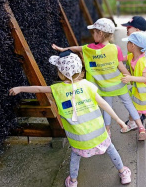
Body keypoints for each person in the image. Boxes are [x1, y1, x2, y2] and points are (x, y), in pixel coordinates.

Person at [9, 52, 132, 187]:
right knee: (110, 149)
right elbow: (104, 104)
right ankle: (123, 172)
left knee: (75, 156)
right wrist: (119, 120)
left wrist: (19, 88)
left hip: (78, 139)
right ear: (80, 70)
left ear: (61, 74)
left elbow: (38, 88)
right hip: (99, 135)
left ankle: (73, 181)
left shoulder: (57, 89)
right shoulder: (88, 85)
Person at [52, 18, 146, 141]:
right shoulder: (115, 49)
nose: (93, 35)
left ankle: (107, 131)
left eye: (94, 32)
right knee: (129, 105)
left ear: (100, 33)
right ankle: (141, 129)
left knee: (107, 108)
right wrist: (131, 78)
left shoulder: (89, 49)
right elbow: (120, 66)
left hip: (104, 87)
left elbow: (77, 48)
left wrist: (63, 49)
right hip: (119, 84)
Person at [121, 16, 146, 124]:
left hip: (141, 83)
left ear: (137, 30)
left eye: (129, 27)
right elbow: (129, 57)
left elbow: (144, 72)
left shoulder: (140, 48)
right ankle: (136, 118)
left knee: (137, 101)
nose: (127, 29)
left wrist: (131, 77)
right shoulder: (135, 44)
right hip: (136, 80)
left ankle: (137, 119)